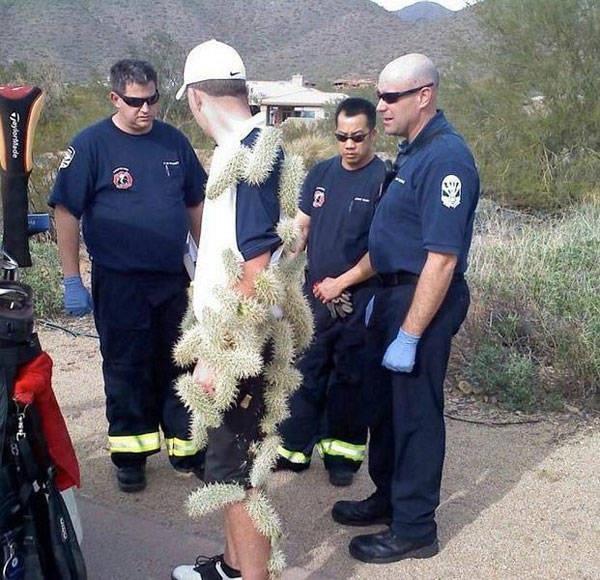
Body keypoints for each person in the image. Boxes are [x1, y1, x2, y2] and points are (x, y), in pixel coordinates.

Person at [170, 40, 312, 580]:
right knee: (226, 467)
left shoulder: (251, 157)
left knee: (240, 476)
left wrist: (220, 355)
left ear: (197, 98)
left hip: (240, 345)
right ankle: (233, 569)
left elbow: (254, 270)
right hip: (237, 336)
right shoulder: (253, 148)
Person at [331, 53, 480, 564]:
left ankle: (415, 527)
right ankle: (389, 498)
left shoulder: (446, 159)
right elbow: (392, 241)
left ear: (425, 96)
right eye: (379, 95)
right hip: (392, 294)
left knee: (415, 414)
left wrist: (411, 335)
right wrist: (345, 281)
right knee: (385, 408)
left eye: (391, 97)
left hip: (423, 298)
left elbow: (442, 258)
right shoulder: (413, 154)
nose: (381, 106)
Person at [49, 59, 207, 493]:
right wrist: (71, 278)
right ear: (114, 98)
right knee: (126, 367)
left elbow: (196, 203)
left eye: (152, 99)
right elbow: (66, 211)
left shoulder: (173, 142)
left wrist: (208, 264)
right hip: (120, 282)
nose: (146, 109)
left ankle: (186, 448)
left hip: (171, 279)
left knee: (180, 362)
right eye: (135, 101)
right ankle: (131, 456)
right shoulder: (91, 145)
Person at [277, 98, 386, 487]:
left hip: (358, 298)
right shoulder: (320, 174)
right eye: (342, 137)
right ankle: (294, 449)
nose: (349, 145)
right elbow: (302, 227)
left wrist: (341, 283)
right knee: (307, 369)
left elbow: (383, 250)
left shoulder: (384, 180)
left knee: (349, 377)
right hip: (314, 296)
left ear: (373, 134)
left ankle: (341, 456)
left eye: (358, 137)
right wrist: (285, 270)